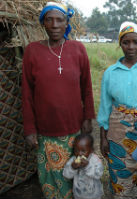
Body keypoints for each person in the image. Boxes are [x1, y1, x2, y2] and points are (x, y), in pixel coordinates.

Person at [22, 2, 95, 198]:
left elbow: (86, 87)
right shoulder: (32, 51)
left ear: (66, 23)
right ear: (43, 23)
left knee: (76, 177)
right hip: (45, 132)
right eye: (49, 20)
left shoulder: (78, 49)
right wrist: (29, 129)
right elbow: (27, 93)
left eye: (59, 20)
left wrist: (88, 117)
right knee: (51, 181)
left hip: (74, 130)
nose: (54, 25)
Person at [97, 21, 137, 198]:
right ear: (120, 44)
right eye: (126, 42)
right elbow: (104, 109)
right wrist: (103, 138)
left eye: (136, 42)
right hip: (117, 132)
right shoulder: (110, 73)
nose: (131, 46)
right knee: (120, 173)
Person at [63, 134, 104, 199]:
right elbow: (66, 175)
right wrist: (72, 168)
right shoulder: (73, 160)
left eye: (83, 151)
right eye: (76, 150)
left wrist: (88, 166)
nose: (79, 153)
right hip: (79, 194)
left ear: (91, 150)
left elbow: (99, 174)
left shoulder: (95, 160)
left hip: (94, 194)